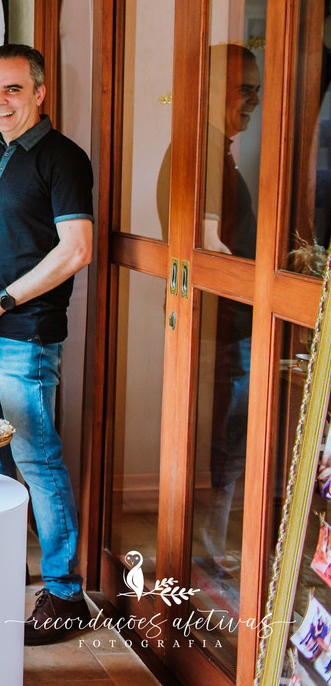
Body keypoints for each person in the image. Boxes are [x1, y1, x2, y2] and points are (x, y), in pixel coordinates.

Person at [0, 44, 93, 645]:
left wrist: (1, 302)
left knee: (37, 461)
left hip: (23, 336)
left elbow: (76, 250)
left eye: (11, 89)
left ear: (40, 92)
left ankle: (64, 593)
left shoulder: (63, 159)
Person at [156, 43, 260, 574]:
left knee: (222, 431)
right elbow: (207, 246)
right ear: (215, 89)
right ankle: (208, 546)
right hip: (224, 323)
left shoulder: (200, 147)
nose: (254, 102)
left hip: (216, 323)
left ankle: (205, 542)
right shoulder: (203, 152)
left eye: (257, 92)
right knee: (227, 435)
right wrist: (266, 279)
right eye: (245, 89)